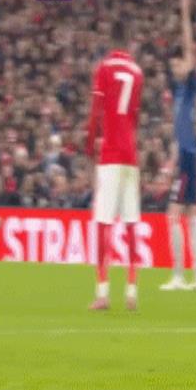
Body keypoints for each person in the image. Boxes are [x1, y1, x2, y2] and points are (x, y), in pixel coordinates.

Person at [86, 22, 144, 310]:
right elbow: (135, 117)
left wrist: (90, 144)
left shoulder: (104, 68)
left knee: (104, 223)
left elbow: (96, 112)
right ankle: (132, 291)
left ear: (111, 42)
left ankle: (103, 293)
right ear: (129, 42)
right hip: (130, 155)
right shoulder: (137, 72)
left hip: (110, 154)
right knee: (131, 224)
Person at [160, 0, 196, 292]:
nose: (175, 68)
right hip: (187, 154)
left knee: (172, 216)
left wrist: (185, 11)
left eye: (177, 64)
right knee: (190, 216)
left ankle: (179, 275)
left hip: (190, 155)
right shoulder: (178, 92)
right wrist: (171, 158)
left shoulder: (189, 85)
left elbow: (190, 49)